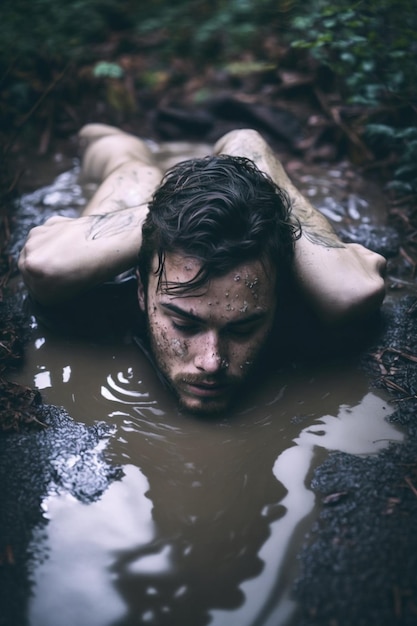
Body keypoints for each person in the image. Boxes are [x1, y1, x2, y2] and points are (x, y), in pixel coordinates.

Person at [18, 125, 386, 415]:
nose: (212, 362)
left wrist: (258, 204)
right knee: (134, 170)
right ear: (142, 293)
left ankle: (248, 156)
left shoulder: (293, 291)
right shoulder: (116, 282)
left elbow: (353, 289)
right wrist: (175, 211)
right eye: (184, 324)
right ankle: (141, 150)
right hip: (155, 225)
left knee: (249, 155)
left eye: (242, 327)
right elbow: (44, 262)